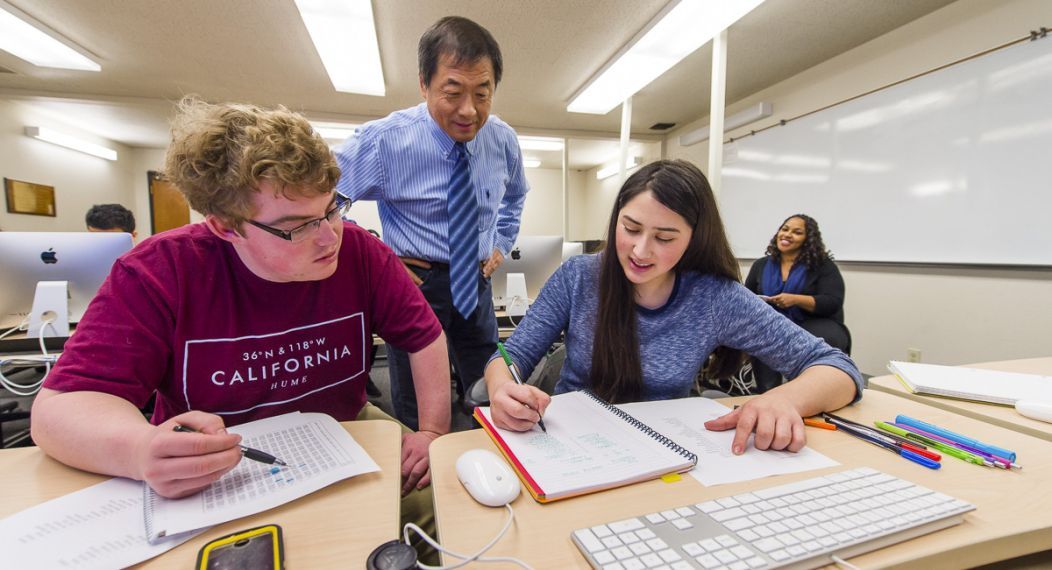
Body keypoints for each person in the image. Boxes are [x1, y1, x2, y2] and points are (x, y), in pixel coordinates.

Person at [30, 97, 450, 557]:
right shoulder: (158, 271)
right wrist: (138, 448)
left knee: (441, 513)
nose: (330, 236)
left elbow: (425, 337)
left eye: (333, 209)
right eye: (297, 226)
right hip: (219, 458)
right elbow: (59, 410)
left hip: (344, 429)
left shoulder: (362, 253)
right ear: (226, 227)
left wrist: (430, 432)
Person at [484, 160, 863, 455]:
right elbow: (509, 354)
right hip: (569, 444)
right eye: (630, 228)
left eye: (664, 237)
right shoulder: (580, 276)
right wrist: (502, 387)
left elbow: (839, 369)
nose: (640, 250)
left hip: (666, 450)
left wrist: (781, 399)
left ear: (693, 240)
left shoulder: (715, 297)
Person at [336, 16, 529, 430]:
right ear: (424, 84)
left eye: (483, 93)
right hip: (416, 285)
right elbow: (322, 203)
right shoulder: (383, 141)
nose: (469, 110)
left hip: (475, 282)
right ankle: (422, 481)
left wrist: (499, 243)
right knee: (419, 404)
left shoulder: (502, 139)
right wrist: (378, 258)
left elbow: (515, 197)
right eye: (453, 91)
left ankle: (495, 459)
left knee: (490, 384)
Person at [744, 214, 851, 393]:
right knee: (763, 334)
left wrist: (795, 299)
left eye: (797, 232)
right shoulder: (761, 265)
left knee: (825, 337)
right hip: (772, 321)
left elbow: (832, 302)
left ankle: (811, 392)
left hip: (812, 322)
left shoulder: (823, 266)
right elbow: (747, 297)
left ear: (808, 239)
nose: (787, 234)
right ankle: (767, 391)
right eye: (784, 229)